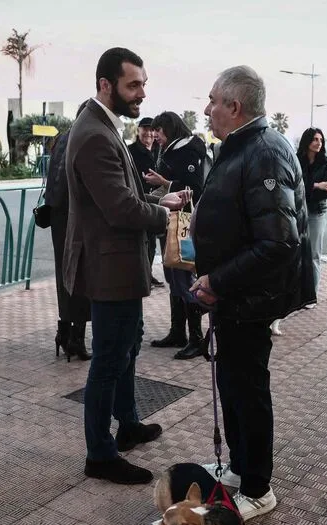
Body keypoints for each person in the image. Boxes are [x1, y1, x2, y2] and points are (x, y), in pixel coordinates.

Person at [190, 65, 314, 519]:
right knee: (233, 385)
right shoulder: (241, 146)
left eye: (213, 100)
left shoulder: (263, 152)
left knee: (248, 390)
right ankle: (240, 468)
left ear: (234, 106)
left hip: (250, 300)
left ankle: (258, 487)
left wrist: (217, 280)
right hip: (234, 299)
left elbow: (279, 241)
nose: (206, 109)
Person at [64, 47, 189, 485]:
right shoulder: (95, 134)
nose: (141, 93)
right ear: (105, 85)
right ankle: (99, 453)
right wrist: (166, 214)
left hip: (117, 265)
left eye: (143, 84)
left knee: (127, 346)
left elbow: (121, 199)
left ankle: (129, 423)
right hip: (109, 268)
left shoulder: (102, 126)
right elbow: (118, 209)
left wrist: (159, 199)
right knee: (110, 358)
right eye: (133, 85)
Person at [145, 111, 208, 360]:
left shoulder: (189, 150)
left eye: (158, 130)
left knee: (183, 276)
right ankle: (177, 332)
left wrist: (166, 182)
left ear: (169, 129)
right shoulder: (170, 150)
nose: (155, 135)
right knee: (173, 275)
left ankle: (196, 338)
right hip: (168, 220)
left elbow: (195, 187)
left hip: (184, 222)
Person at [44, 100, 92, 361]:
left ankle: (64, 332)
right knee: (81, 278)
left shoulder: (62, 138)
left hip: (58, 216)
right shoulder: (85, 138)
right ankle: (76, 338)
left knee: (66, 276)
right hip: (77, 218)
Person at [128, 116, 165, 288]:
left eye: (152, 130)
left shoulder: (160, 150)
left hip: (161, 201)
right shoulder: (130, 151)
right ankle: (144, 276)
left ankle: (149, 274)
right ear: (138, 130)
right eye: (145, 129)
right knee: (145, 241)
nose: (149, 133)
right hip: (140, 200)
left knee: (155, 243)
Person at [297, 127, 327, 298]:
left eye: (321, 140)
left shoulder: (325, 162)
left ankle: (312, 295)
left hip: (316, 213)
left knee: (314, 256)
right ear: (307, 141)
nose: (319, 143)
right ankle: (297, 293)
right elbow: (295, 185)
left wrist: (310, 187)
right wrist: (316, 185)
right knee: (296, 254)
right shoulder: (297, 160)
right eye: (315, 139)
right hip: (297, 212)